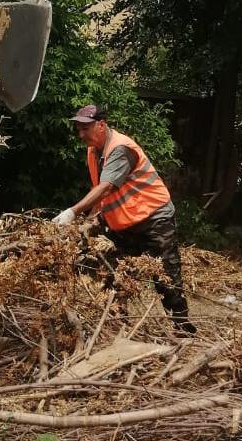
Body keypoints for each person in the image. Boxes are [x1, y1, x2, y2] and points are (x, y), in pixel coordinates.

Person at [53, 105, 195, 334]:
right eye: (78, 129)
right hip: (125, 223)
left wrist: (73, 211)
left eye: (85, 128)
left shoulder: (120, 148)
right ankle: (119, 327)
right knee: (114, 272)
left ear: (101, 124)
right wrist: (92, 219)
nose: (81, 134)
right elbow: (100, 193)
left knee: (165, 277)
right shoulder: (94, 151)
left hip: (153, 218)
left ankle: (183, 329)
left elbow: (107, 187)